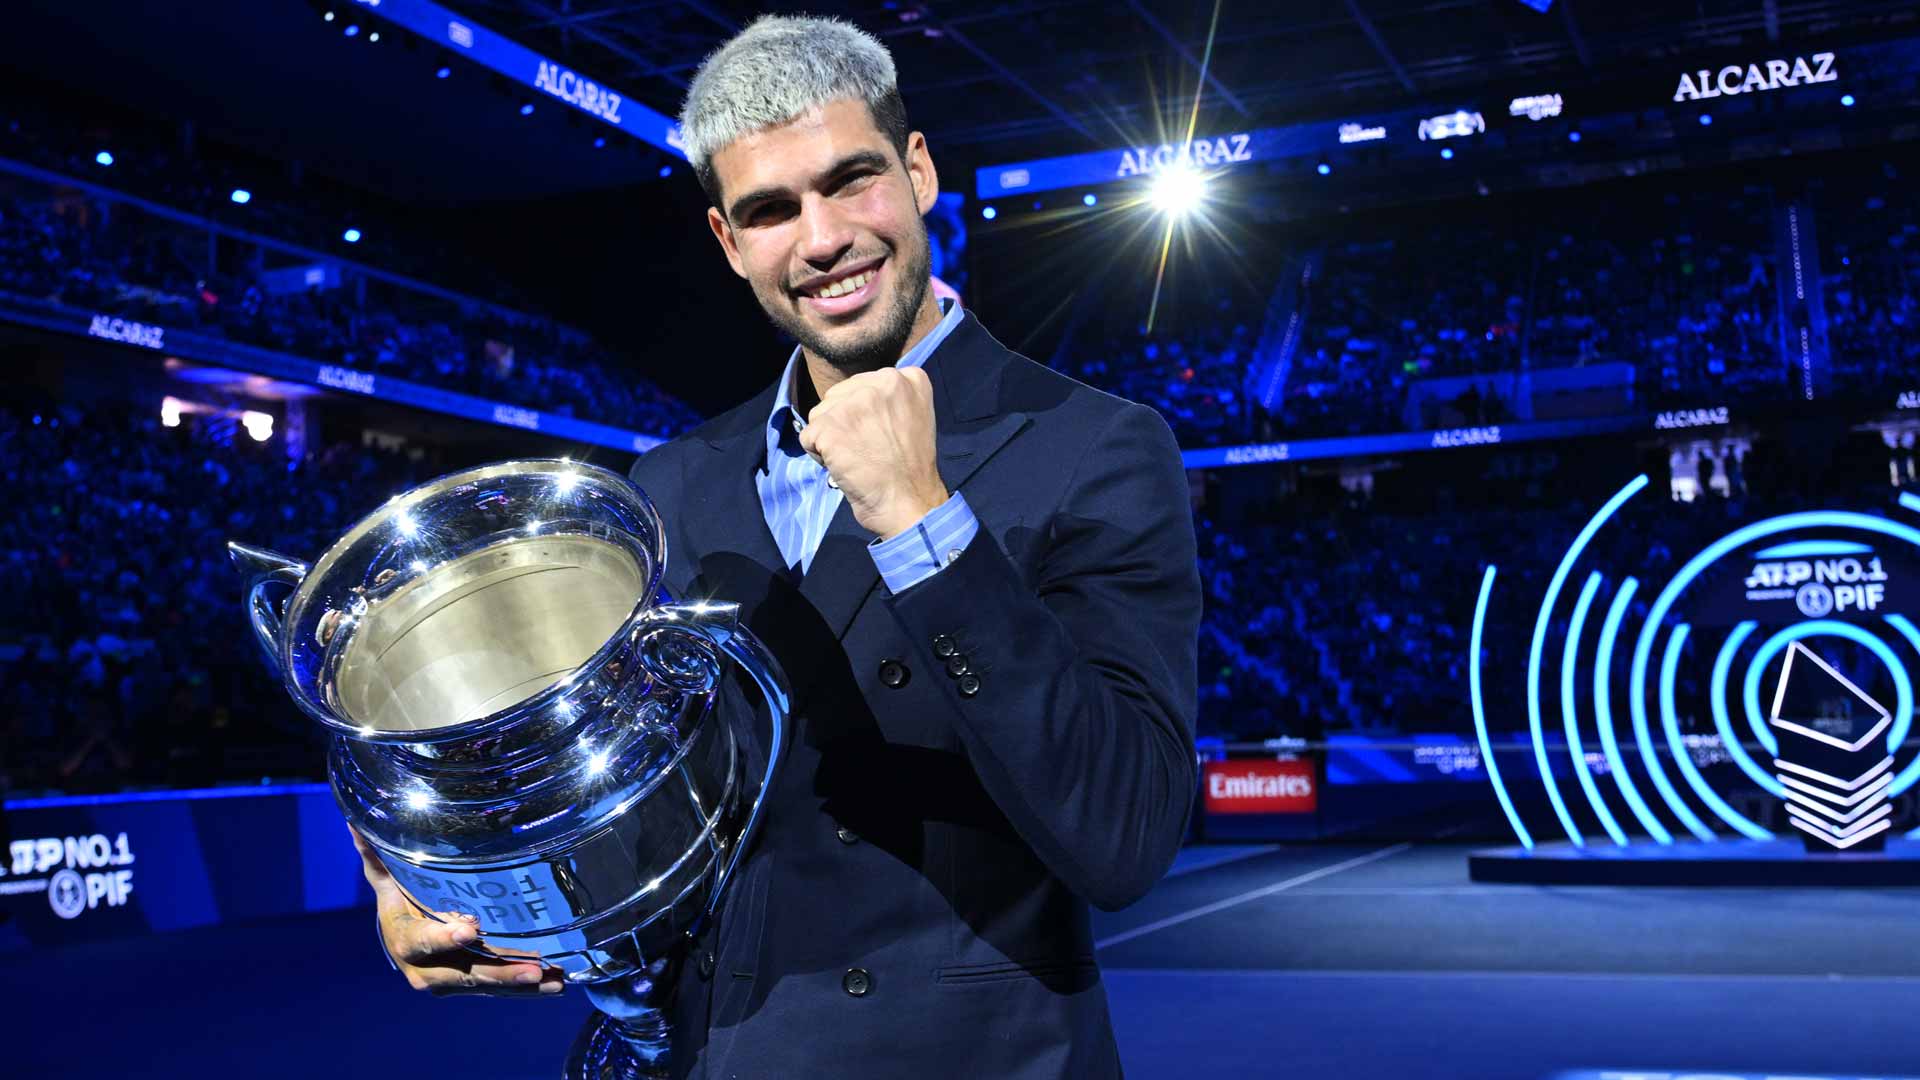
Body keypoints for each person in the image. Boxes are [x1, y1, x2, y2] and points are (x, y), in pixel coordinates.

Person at [354, 14, 1200, 1078]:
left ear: (920, 171)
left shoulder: (1096, 446)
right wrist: (441, 895)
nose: (823, 238)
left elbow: (1123, 836)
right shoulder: (666, 486)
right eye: (770, 210)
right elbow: (595, 796)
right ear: (727, 242)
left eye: (852, 181)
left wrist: (924, 518)